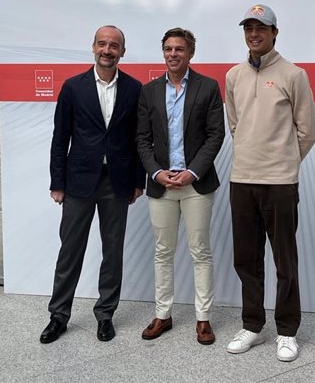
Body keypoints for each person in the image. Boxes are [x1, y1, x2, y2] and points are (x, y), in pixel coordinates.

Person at [40, 25, 145, 344]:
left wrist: (137, 181)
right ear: (93, 47)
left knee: (113, 251)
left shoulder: (135, 89)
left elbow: (139, 139)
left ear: (123, 52)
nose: (107, 50)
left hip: (118, 182)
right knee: (70, 250)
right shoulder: (73, 87)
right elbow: (60, 139)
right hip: (77, 183)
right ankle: (58, 315)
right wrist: (57, 182)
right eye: (102, 44)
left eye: (114, 45)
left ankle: (105, 315)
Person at [224, 4, 315, 362]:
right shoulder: (233, 76)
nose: (254, 34)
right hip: (241, 180)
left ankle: (287, 330)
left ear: (275, 32)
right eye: (248, 28)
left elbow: (307, 130)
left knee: (284, 259)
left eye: (261, 28)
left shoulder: (294, 75)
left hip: (279, 183)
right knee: (246, 259)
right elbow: (236, 124)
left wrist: (284, 163)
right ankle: (252, 325)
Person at [136, 27, 225, 345]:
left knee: (200, 251)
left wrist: (192, 172)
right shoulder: (148, 91)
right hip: (161, 185)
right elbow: (142, 139)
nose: (174, 54)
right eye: (169, 49)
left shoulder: (209, 87)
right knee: (163, 252)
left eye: (180, 49)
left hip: (195, 185)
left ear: (191, 53)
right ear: (163, 52)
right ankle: (163, 314)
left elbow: (216, 134)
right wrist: (157, 173)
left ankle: (204, 319)